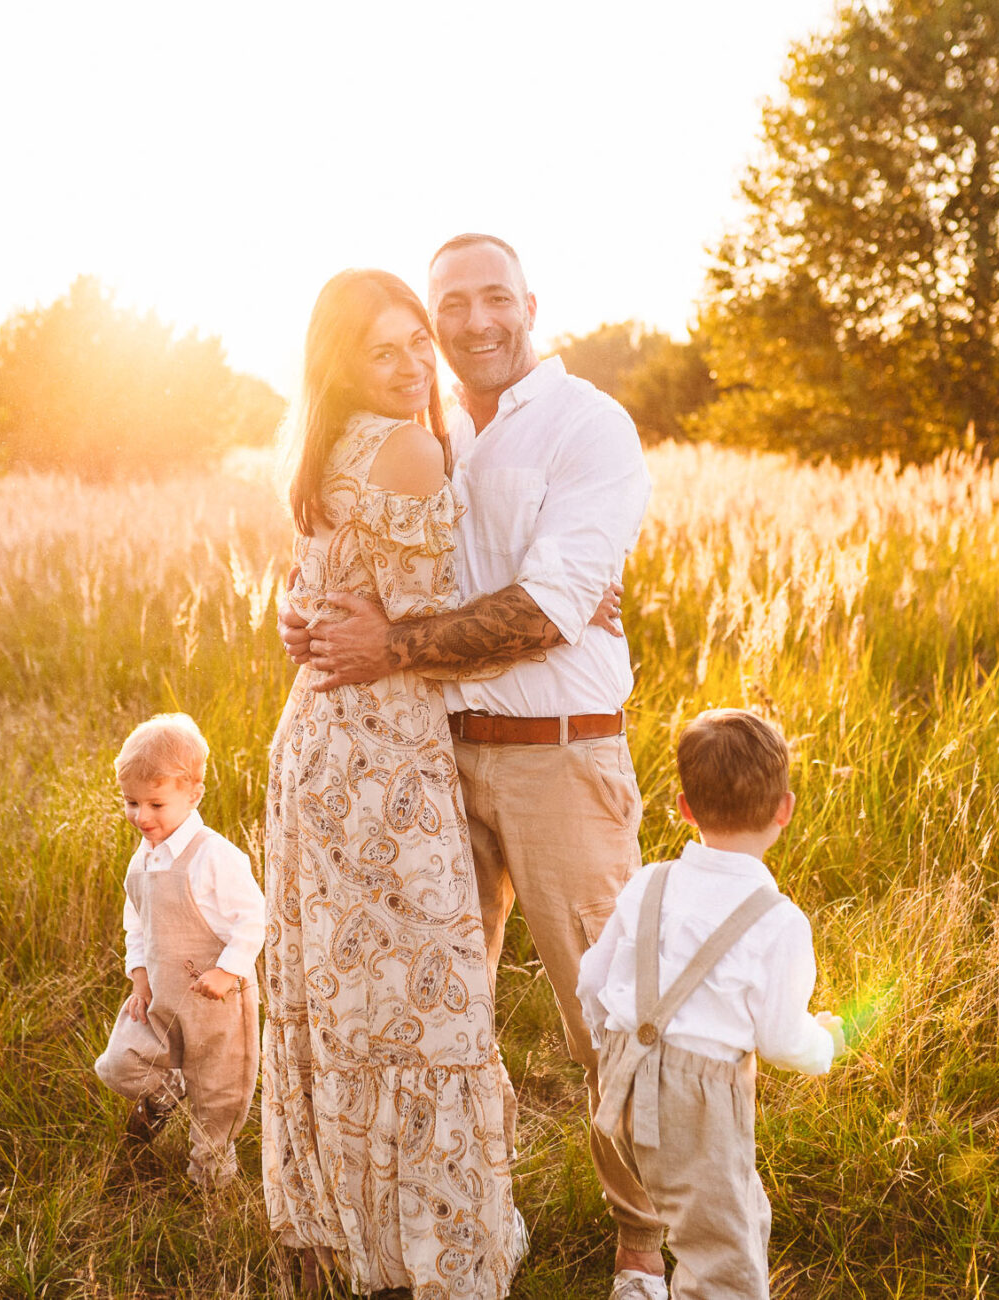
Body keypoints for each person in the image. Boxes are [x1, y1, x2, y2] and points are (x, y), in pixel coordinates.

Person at [288, 233, 666, 1297]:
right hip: (434, 760)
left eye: (494, 297)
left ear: (531, 303)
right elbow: (373, 568)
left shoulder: (588, 425)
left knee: (607, 1010)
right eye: (450, 304)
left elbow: (547, 607)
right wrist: (313, 623)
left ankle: (646, 1238)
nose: (473, 321)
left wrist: (393, 645)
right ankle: (463, 1216)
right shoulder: (433, 429)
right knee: (443, 1009)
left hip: (558, 761)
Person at [262, 268, 525, 1298]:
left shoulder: (321, 449)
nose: (418, 362)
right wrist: (553, 610)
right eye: (387, 351)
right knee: (429, 1001)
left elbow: (314, 589)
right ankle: (436, 1251)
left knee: (346, 995)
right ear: (344, 364)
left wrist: (300, 615)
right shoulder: (411, 448)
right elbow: (432, 631)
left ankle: (354, 1236)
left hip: (317, 742)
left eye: (420, 341)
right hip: (383, 757)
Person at [577, 708, 848, 1300]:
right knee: (724, 1261)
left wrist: (618, 1050)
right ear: (785, 809)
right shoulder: (778, 922)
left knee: (727, 1210)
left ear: (684, 807)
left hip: (622, 1090)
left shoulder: (649, 882)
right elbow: (779, 1039)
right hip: (696, 1108)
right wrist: (825, 1043)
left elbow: (593, 978)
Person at [93, 712, 263, 1189]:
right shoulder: (142, 860)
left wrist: (228, 972)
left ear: (193, 793)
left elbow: (253, 918)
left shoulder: (215, 857)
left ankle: (209, 1182)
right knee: (122, 1061)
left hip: (218, 1003)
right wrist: (140, 977)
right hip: (165, 996)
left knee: (219, 1094)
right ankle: (169, 1087)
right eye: (131, 803)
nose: (141, 817)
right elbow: (138, 922)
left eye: (155, 804)